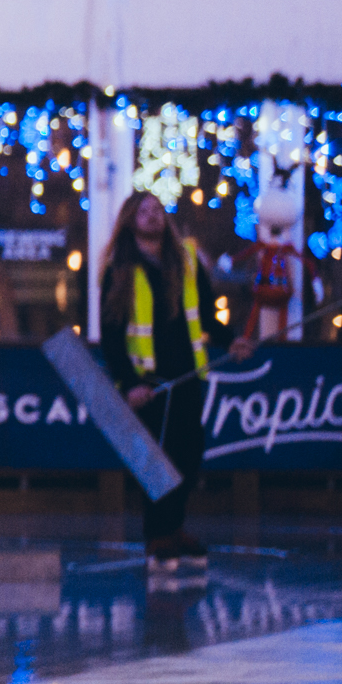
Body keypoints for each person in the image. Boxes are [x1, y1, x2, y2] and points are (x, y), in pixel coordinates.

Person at [99, 188, 252, 570]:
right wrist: (128, 382)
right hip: (147, 382)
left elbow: (203, 313)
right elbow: (112, 334)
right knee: (156, 463)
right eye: (143, 211)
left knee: (188, 455)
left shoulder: (185, 260)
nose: (153, 216)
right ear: (130, 221)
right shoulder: (119, 269)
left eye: (157, 210)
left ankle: (174, 527)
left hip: (187, 375)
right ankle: (159, 536)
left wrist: (231, 341)